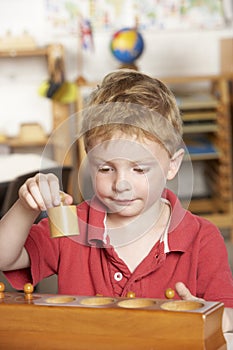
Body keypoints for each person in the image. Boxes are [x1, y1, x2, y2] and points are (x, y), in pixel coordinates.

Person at [0, 69, 232, 332]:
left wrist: (209, 318)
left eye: (139, 169)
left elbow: (228, 319)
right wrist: (26, 207)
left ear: (172, 165)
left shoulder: (202, 238)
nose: (121, 184)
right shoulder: (71, 224)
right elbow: (4, 258)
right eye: (106, 169)